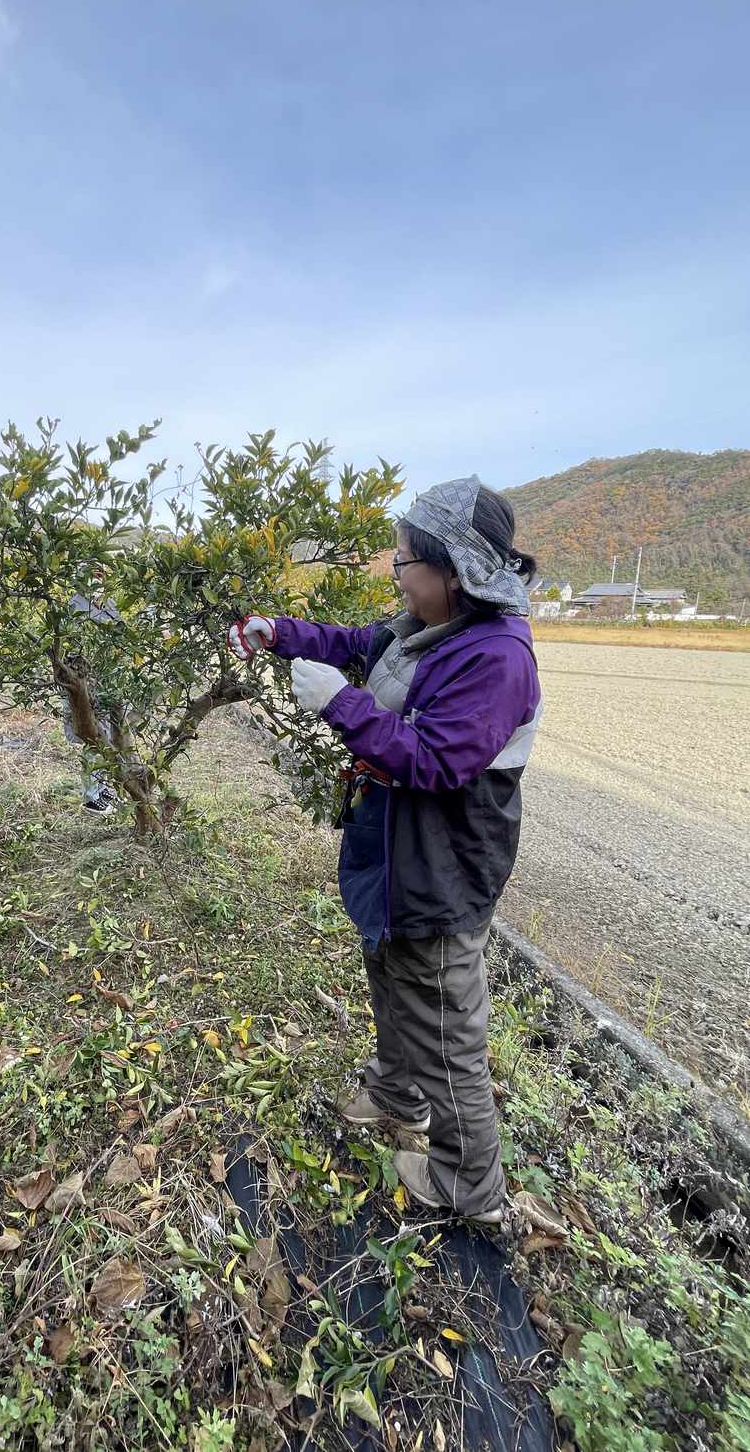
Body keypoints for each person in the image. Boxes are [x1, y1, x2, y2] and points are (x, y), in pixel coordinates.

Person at [228, 477, 542, 1226]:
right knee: (392, 975)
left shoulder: (496, 659)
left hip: (441, 869)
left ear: (454, 572)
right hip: (396, 855)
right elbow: (357, 644)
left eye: (405, 561)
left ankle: (470, 1185)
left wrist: (341, 703)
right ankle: (397, 1093)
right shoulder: (428, 626)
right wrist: (279, 632)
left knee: (448, 1031)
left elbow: (434, 760)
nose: (396, 574)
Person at [64, 570, 123, 815]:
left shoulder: (108, 603)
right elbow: (71, 649)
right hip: (85, 683)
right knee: (92, 736)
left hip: (107, 680)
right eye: (92, 574)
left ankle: (101, 787)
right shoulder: (75, 605)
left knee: (107, 735)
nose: (97, 580)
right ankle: (91, 797)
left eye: (101, 574)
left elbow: (121, 632)